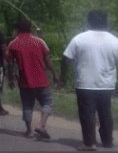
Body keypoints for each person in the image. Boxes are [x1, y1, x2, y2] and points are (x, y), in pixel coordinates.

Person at [61, 10, 118, 151]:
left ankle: (89, 143)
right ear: (105, 22)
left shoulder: (79, 39)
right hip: (107, 85)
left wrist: (63, 78)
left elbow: (65, 58)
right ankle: (107, 141)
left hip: (85, 84)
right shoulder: (114, 41)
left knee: (87, 113)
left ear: (89, 21)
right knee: (105, 113)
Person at [6, 17, 59, 139]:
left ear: (17, 29)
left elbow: (10, 64)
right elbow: (47, 60)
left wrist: (10, 79)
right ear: (31, 28)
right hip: (41, 79)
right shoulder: (39, 41)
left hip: (25, 81)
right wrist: (55, 74)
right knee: (47, 103)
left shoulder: (13, 43)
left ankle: (29, 131)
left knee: (27, 105)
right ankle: (41, 125)